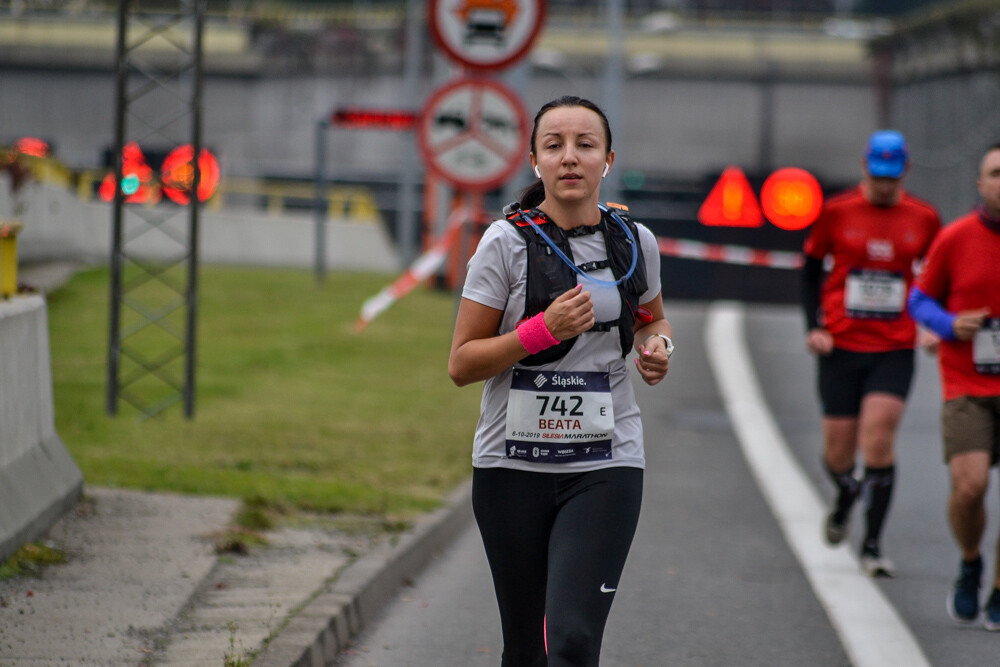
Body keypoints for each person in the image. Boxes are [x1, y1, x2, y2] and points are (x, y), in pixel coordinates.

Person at [448, 96, 672, 666]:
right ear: (535, 161)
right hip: (510, 467)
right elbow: (462, 363)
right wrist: (538, 332)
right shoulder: (503, 244)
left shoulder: (634, 242)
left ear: (608, 159)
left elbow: (653, 318)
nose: (570, 158)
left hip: (605, 465)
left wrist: (657, 346)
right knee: (526, 648)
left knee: (572, 640)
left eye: (585, 145)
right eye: (554, 146)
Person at [800, 129, 941, 577]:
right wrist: (814, 326)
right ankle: (845, 496)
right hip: (841, 344)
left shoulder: (924, 217)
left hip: (894, 346)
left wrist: (934, 325)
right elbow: (808, 268)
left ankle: (874, 545)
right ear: (865, 166)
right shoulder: (837, 211)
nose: (883, 185)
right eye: (877, 175)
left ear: (905, 171)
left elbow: (938, 277)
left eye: (892, 177)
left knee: (879, 439)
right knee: (837, 455)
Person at [908, 142, 1000, 630]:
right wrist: (949, 325)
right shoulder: (956, 237)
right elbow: (918, 301)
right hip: (967, 384)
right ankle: (970, 562)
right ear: (981, 184)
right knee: (971, 488)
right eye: (996, 172)